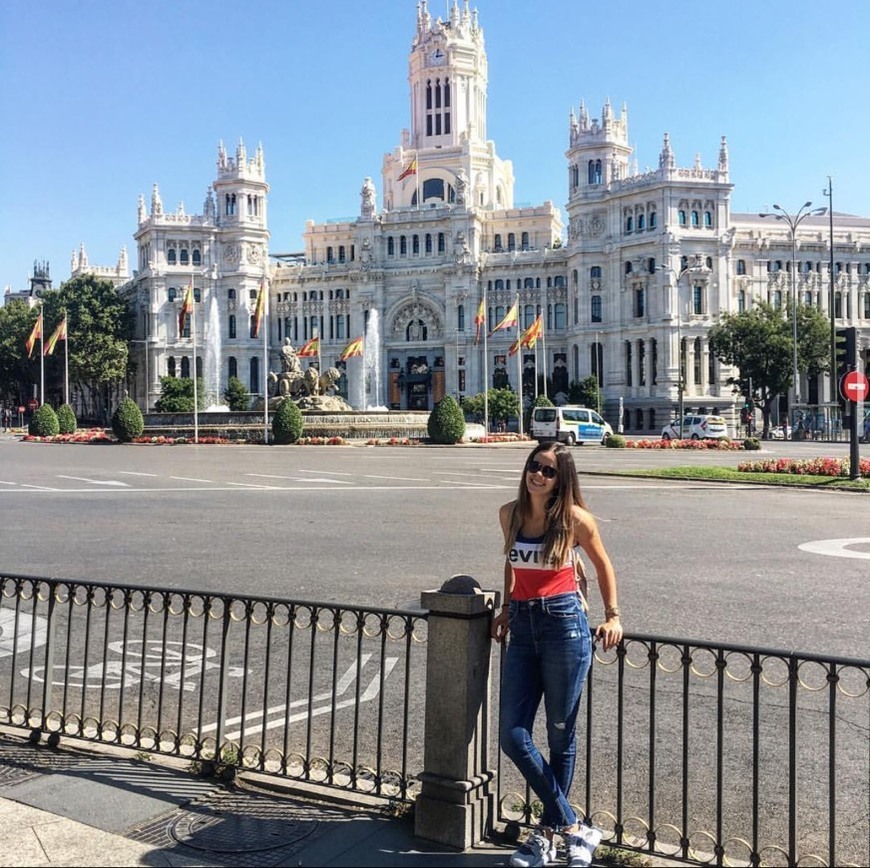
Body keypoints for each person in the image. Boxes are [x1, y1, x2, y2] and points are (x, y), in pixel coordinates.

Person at [491, 442, 622, 868]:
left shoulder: (574, 520)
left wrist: (613, 616)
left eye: (548, 471)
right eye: (534, 466)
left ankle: (546, 836)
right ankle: (572, 826)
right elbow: (511, 564)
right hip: (524, 629)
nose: (539, 475)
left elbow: (603, 565)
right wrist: (508, 608)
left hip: (564, 624)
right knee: (513, 735)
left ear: (561, 479)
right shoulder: (508, 514)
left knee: (561, 733)